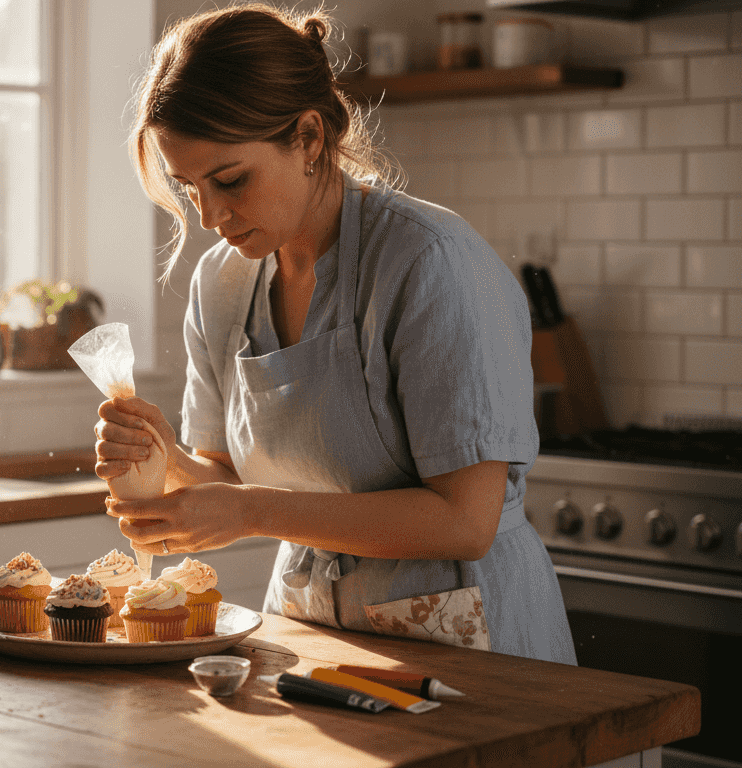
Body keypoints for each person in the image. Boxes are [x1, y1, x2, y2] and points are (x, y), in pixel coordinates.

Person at [94, 3, 575, 664]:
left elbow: (465, 521)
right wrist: (160, 456)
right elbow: (225, 479)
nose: (209, 216)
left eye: (230, 180)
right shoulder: (223, 283)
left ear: (311, 138)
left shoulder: (429, 263)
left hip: (471, 634)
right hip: (310, 629)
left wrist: (252, 512)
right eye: (189, 187)